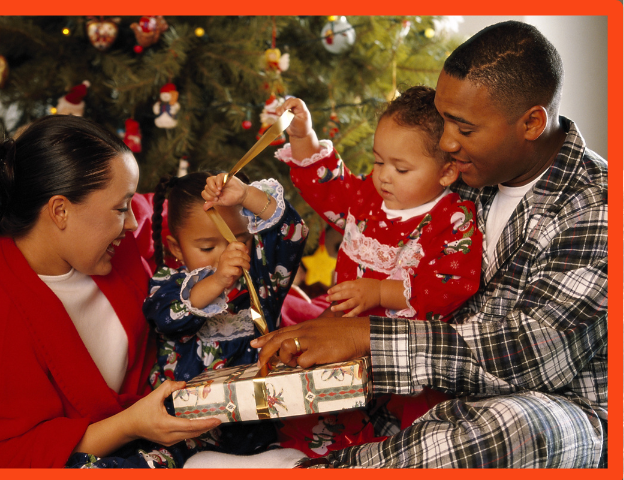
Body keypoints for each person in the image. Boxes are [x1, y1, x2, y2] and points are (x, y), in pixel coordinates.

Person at [254, 20, 607, 468]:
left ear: (532, 122)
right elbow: (355, 204)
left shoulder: (597, 206)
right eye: (443, 121)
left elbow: (532, 356)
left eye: (463, 127)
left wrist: (369, 337)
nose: (445, 143)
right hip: (437, 387)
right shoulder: (464, 173)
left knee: (516, 426)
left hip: (552, 404)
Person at [0, 115, 221, 468]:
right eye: (121, 208)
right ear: (60, 211)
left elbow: (168, 214)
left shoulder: (112, 242)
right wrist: (130, 424)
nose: (133, 222)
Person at [274, 86, 483, 432]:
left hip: (396, 360)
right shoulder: (370, 197)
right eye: (378, 161)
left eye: (401, 169)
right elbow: (331, 187)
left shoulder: (452, 221)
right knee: (307, 406)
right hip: (339, 335)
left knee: (380, 430)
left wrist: (380, 293)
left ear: (446, 172)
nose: (384, 175)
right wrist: (304, 136)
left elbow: (447, 289)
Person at [143, 171, 308, 455]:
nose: (227, 254)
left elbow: (292, 233)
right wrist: (218, 281)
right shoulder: (168, 284)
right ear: (176, 248)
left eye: (239, 239)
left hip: (260, 417)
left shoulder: (262, 278)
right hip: (188, 425)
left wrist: (246, 195)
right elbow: (167, 317)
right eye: (208, 247)